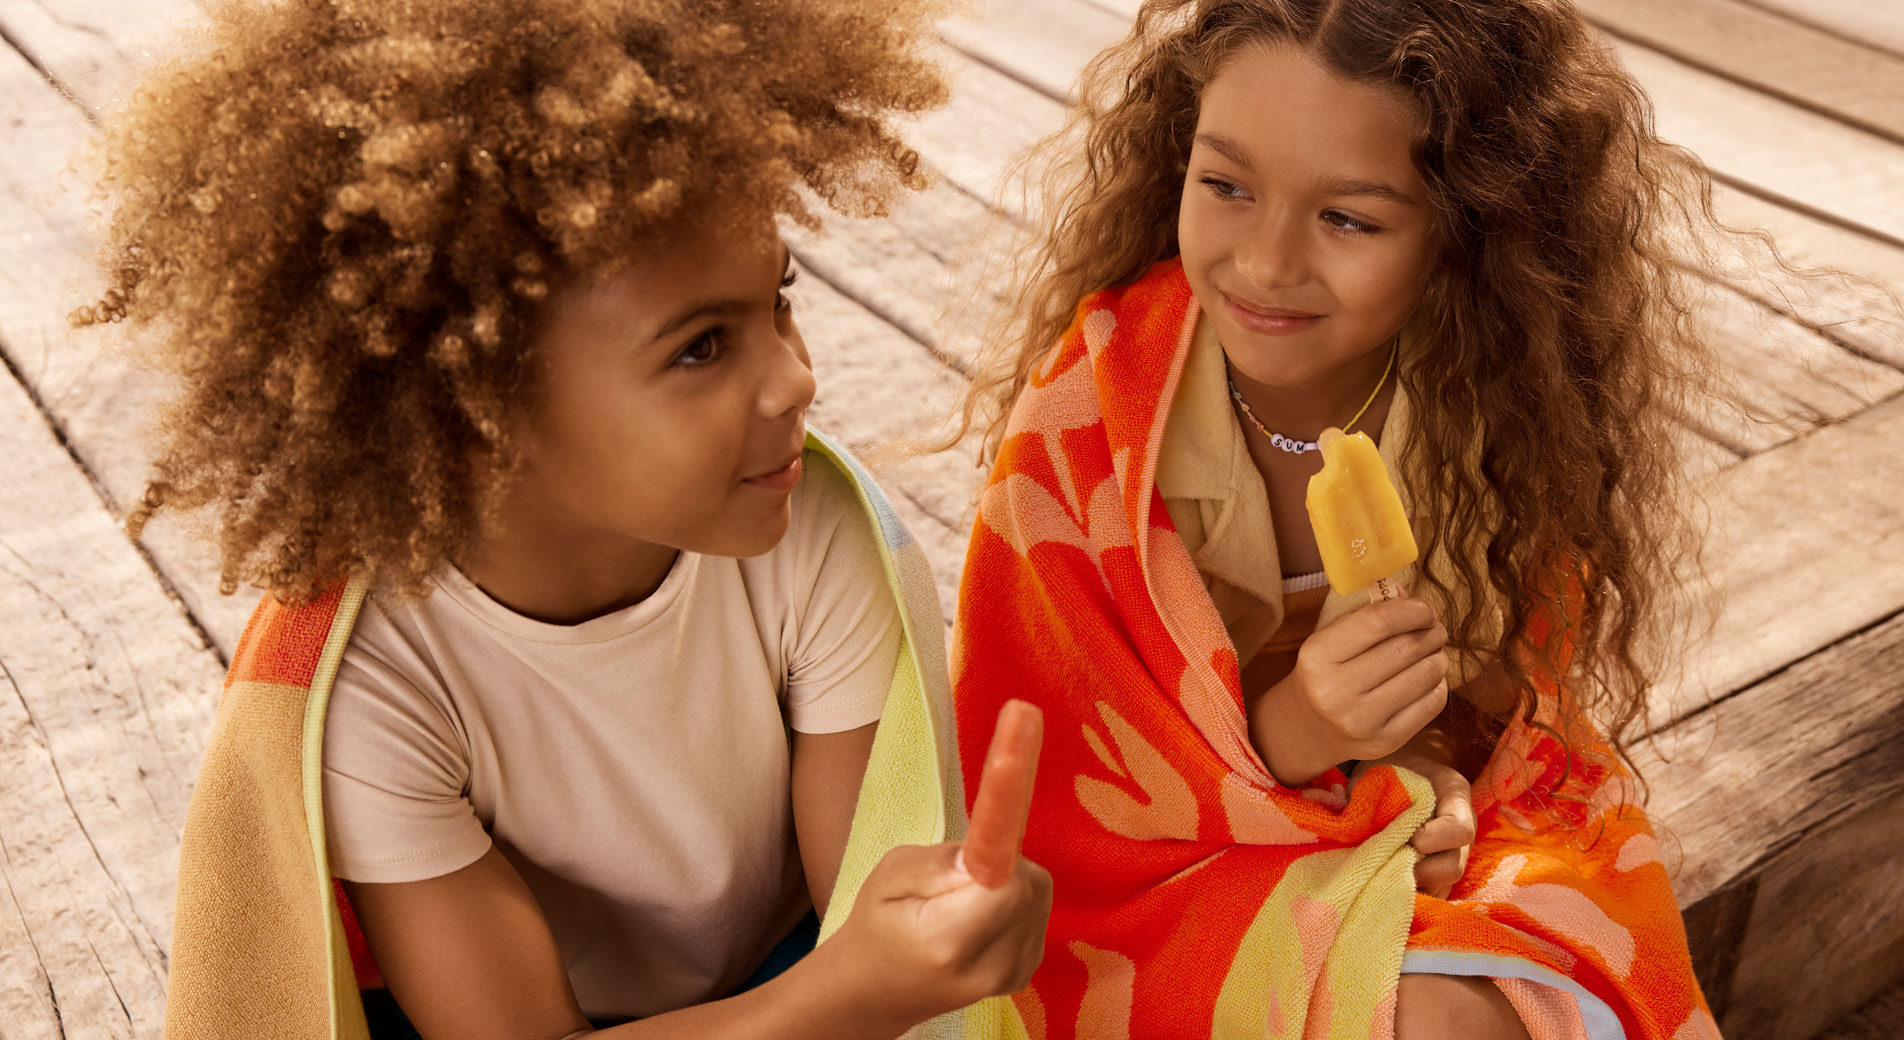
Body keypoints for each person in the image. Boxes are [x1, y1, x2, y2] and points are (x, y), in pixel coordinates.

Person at [74, 1, 1049, 1037]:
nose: (794, 378)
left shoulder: (808, 531)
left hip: (790, 969)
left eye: (779, 299)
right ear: (481, 408)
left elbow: (863, 919)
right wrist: (848, 987)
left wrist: (919, 943)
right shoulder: (368, 684)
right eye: (701, 348)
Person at [950, 0, 1730, 1036]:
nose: (1265, 263)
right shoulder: (1086, 422)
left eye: (1347, 218)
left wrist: (1431, 780)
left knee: (1477, 1006)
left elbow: (1492, 726)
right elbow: (1054, 773)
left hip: (1403, 818)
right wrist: (1297, 732)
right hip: (1150, 876)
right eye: (1222, 185)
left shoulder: (1495, 414)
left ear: (1465, 231)